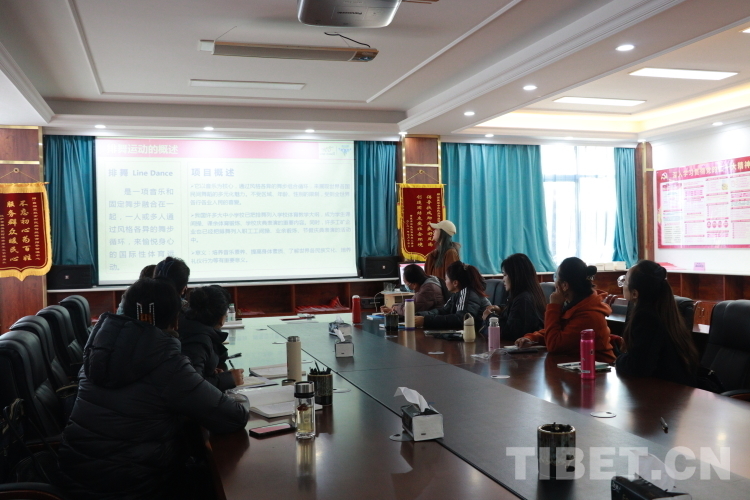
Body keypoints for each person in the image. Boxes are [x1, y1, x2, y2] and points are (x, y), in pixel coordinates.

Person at [58, 277, 248, 500]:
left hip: (74, 479)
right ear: (175, 321)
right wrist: (240, 398)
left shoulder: (98, 351)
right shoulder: (167, 363)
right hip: (133, 487)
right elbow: (232, 417)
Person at [614, 260, 700, 386]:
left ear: (635, 293)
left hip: (667, 391)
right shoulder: (664, 311)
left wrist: (618, 359)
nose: (622, 285)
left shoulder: (646, 317)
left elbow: (638, 367)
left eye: (625, 281)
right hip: (676, 387)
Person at [516, 257, 615, 363]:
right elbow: (559, 330)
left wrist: (554, 306)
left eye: (556, 277)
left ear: (564, 285)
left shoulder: (588, 314)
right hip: (576, 364)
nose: (555, 283)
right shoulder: (576, 304)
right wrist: (532, 338)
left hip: (598, 369)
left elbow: (554, 344)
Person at [179, 285, 244, 390]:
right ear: (221, 319)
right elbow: (192, 387)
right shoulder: (198, 341)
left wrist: (207, 371)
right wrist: (229, 379)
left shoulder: (191, 326)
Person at [483, 253, 546, 341]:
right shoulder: (526, 294)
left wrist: (489, 317)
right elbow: (516, 314)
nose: (503, 279)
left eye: (505, 275)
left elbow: (510, 333)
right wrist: (500, 308)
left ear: (515, 275)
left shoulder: (523, 299)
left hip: (520, 348)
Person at [415, 261, 490, 329]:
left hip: (480, 336)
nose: (445, 282)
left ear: (455, 283)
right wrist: (419, 315)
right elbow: (443, 311)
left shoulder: (468, 294)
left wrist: (425, 321)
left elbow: (461, 320)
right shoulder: (457, 294)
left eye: (446, 279)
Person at [380, 264, 445, 316]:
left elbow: (408, 311)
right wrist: (394, 306)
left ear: (414, 284)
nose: (405, 285)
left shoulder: (428, 290)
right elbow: (412, 303)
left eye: (406, 282)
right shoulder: (427, 284)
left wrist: (395, 308)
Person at [424, 220, 460, 285]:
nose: (433, 231)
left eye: (436, 229)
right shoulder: (435, 254)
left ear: (442, 232)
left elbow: (451, 278)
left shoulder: (450, 253)